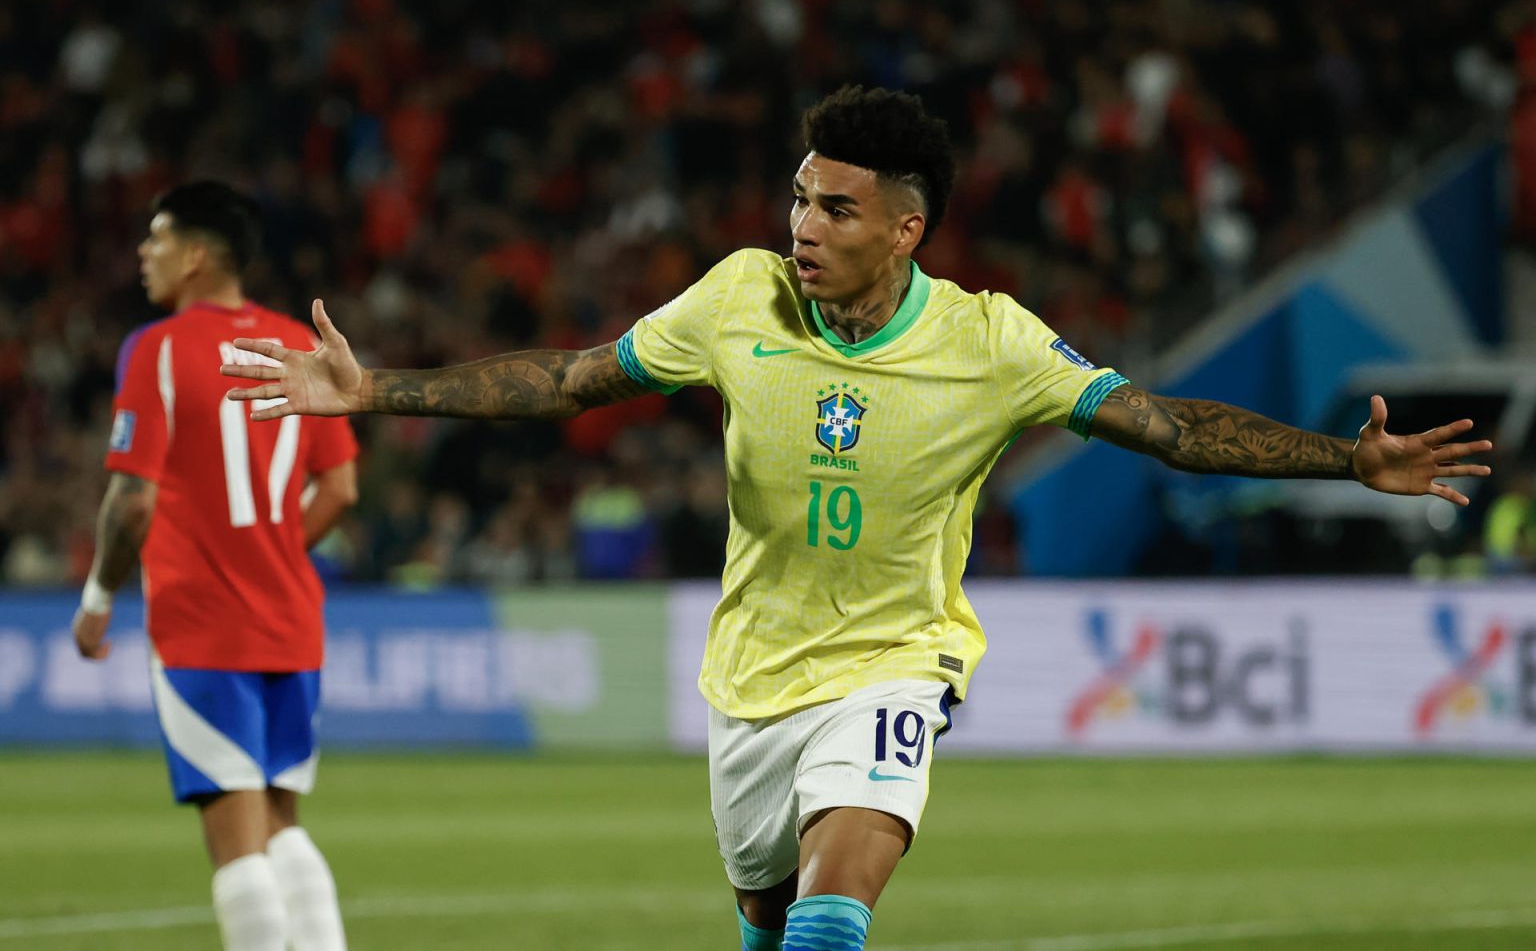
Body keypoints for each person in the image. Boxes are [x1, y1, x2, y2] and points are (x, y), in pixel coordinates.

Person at [220, 87, 1492, 951]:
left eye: (834, 208)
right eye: (797, 200)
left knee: (834, 922)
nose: (803, 228)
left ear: (905, 227)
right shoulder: (736, 300)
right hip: (751, 678)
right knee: (770, 922)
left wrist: (1344, 460)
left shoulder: (989, 342)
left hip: (894, 661)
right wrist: (376, 389)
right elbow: (568, 381)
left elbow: (1162, 425)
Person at [74, 181, 359, 951]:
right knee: (279, 820)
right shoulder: (291, 345)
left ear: (196, 255)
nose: (144, 254)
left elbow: (131, 500)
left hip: (203, 623)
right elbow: (340, 486)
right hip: (293, 617)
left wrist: (98, 595)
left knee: (236, 843)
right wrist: (269, 554)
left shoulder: (156, 349)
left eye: (157, 240)